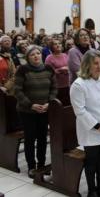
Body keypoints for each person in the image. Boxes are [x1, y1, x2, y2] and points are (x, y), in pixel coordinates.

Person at [70, 50, 100, 197]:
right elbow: (80, 110)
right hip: (91, 130)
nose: (99, 66)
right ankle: (92, 190)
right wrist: (97, 125)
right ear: (86, 65)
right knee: (91, 162)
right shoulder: (79, 84)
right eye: (95, 63)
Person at [14, 45, 57, 178]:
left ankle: (42, 165)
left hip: (44, 110)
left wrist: (49, 103)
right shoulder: (22, 70)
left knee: (43, 138)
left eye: (38, 53)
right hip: (27, 111)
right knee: (30, 138)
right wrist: (31, 105)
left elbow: (54, 88)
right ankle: (31, 166)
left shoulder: (48, 69)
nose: (36, 56)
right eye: (32, 54)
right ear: (28, 57)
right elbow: (17, 90)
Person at [45, 39, 70, 105]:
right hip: (57, 86)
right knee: (58, 105)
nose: (58, 45)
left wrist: (68, 69)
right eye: (55, 44)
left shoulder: (65, 55)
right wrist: (60, 69)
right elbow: (48, 72)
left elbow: (70, 66)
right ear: (52, 47)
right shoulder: (49, 58)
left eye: (59, 43)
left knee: (68, 105)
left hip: (68, 84)